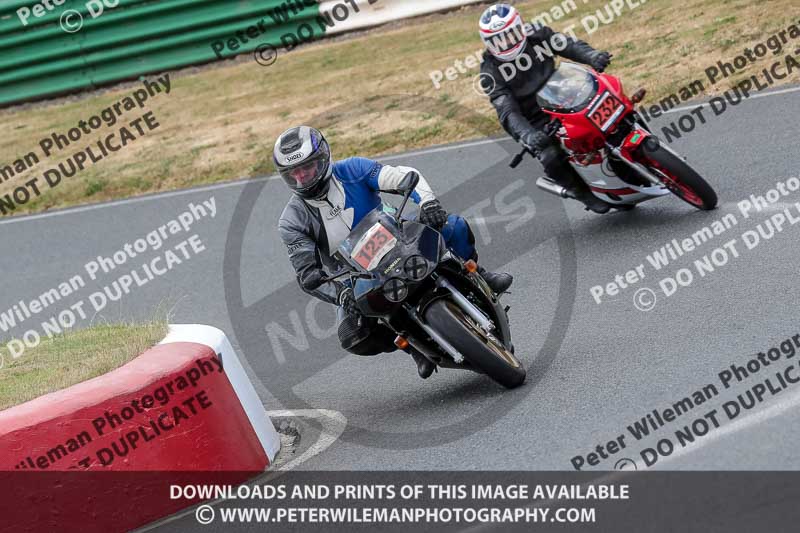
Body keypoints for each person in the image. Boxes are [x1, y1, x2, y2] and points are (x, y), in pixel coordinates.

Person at [276, 126, 513, 379]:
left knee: (453, 226)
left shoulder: (353, 169)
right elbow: (307, 276)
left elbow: (404, 175)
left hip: (400, 236)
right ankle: (413, 346)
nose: (302, 177)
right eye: (293, 173)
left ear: (323, 158)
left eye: (307, 167)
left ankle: (480, 276)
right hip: (355, 276)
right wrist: (341, 294)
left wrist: (428, 203)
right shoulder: (292, 221)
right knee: (353, 336)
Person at [479, 3, 614, 213]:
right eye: (498, 39)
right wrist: (528, 135)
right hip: (535, 119)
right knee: (550, 156)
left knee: (607, 102)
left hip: (563, 94)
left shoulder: (537, 34)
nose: (506, 42)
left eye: (510, 34)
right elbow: (507, 111)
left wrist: (591, 56)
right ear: (488, 42)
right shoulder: (490, 73)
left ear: (521, 27)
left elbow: (567, 45)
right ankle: (581, 192)